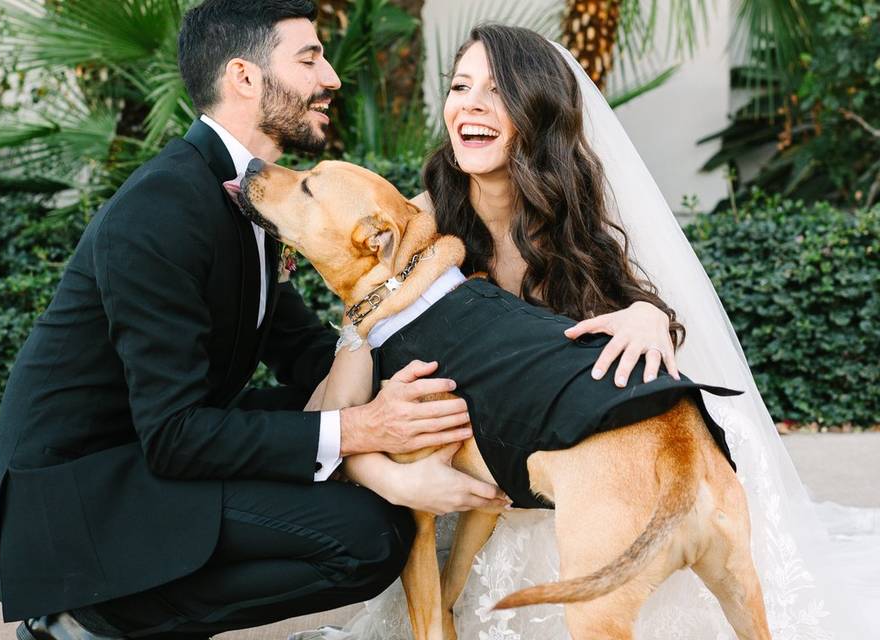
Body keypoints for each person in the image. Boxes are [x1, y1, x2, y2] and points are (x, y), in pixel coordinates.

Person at [0, 4, 671, 639]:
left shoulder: (249, 195)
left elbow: (304, 348)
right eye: (311, 58)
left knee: (352, 434)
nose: (332, 77)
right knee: (366, 538)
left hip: (152, 446)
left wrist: (393, 406)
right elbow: (172, 434)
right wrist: (371, 449)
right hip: (86, 495)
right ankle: (92, 619)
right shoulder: (163, 210)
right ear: (246, 77)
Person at [303, 24, 880, 639]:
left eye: (496, 92)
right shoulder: (416, 227)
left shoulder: (576, 218)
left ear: (539, 111)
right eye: (459, 86)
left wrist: (650, 315)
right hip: (478, 467)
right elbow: (336, 415)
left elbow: (638, 314)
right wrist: (359, 341)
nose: (469, 103)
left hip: (578, 462)